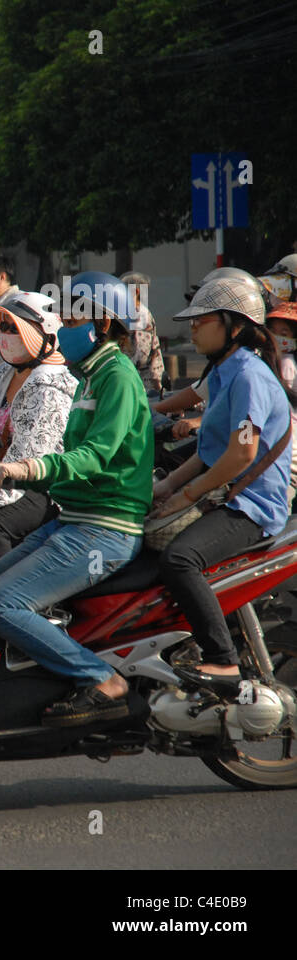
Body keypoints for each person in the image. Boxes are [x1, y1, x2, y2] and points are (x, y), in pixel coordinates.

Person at [0, 271, 152, 726]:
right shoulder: (87, 375)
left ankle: (100, 679)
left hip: (105, 528)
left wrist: (22, 468)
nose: (65, 328)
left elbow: (91, 457)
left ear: (104, 325)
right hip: (73, 517)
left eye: (75, 319)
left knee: (1, 604)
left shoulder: (118, 377)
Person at [150, 277, 293, 683]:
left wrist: (185, 495)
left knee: (179, 559)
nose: (193, 327)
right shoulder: (221, 373)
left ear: (233, 324)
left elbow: (243, 452)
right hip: (223, 493)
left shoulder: (249, 376)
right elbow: (207, 453)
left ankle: (223, 658)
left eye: (201, 319)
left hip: (251, 505)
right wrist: (163, 489)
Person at [0, 294, 76, 561]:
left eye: (16, 327)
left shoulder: (54, 385)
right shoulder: (1, 374)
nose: (7, 334)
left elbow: (34, 454)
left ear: (45, 333)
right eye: (4, 327)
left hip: (41, 485)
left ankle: (1, 594)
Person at [119, 270, 167, 393]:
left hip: (142, 383)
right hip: (137, 379)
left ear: (136, 291)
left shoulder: (139, 315)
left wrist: (122, 368)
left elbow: (141, 353)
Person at [264, 301, 297, 390]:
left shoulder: (286, 363)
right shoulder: (274, 358)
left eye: (283, 334)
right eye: (272, 331)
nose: (276, 337)